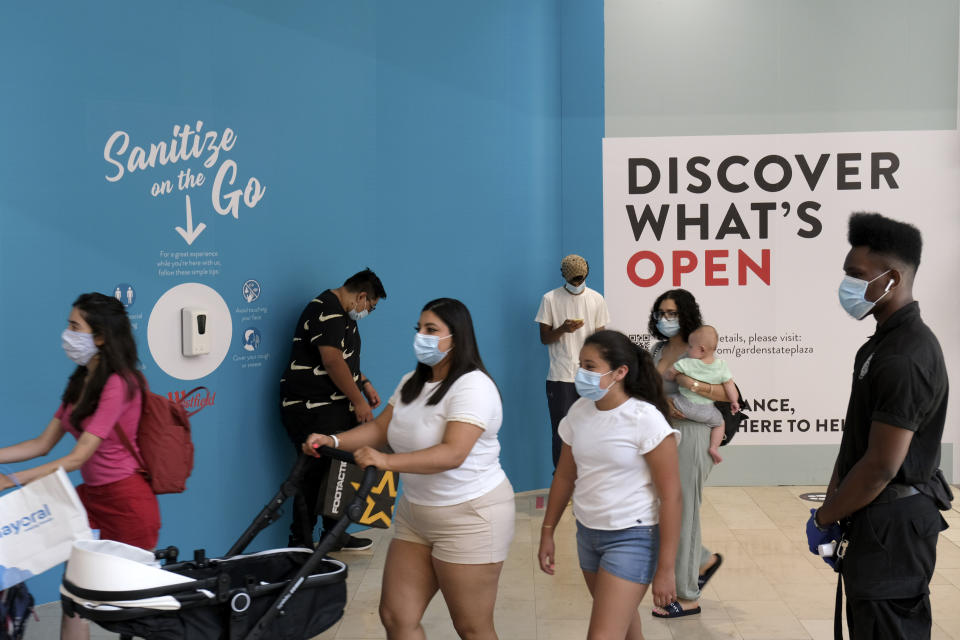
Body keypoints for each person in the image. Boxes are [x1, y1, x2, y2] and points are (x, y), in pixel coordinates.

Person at [302, 298, 514, 640]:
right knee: (396, 616)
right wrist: (332, 441)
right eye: (419, 329)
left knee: (472, 627)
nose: (422, 337)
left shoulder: (474, 386)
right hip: (417, 515)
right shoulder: (410, 383)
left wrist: (386, 461)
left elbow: (452, 453)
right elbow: (379, 430)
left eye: (432, 330)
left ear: (457, 338)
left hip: (471, 516)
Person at [807, 213, 950, 639]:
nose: (847, 284)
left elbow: (881, 465)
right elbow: (856, 440)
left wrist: (825, 516)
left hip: (895, 531)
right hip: (874, 522)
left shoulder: (906, 356)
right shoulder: (880, 345)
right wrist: (833, 509)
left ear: (892, 279)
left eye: (856, 275)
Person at [0, 293, 158, 640]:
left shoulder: (121, 383)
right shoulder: (81, 380)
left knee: (136, 608)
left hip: (127, 501)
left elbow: (77, 457)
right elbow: (41, 444)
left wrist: (9, 480)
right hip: (91, 498)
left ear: (100, 336)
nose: (66, 334)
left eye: (75, 326)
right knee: (75, 593)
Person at [537, 330, 682, 640]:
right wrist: (547, 531)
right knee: (627, 629)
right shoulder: (578, 413)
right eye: (580, 365)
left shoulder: (646, 420)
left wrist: (667, 569)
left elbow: (671, 498)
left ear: (620, 372)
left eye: (590, 366)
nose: (581, 374)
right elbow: (564, 476)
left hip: (633, 537)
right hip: (588, 535)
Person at [280, 268, 386, 551]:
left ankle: (333, 534)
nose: (368, 312)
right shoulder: (326, 310)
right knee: (311, 475)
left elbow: (347, 361)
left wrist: (364, 383)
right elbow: (332, 361)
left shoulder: (344, 316)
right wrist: (359, 402)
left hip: (334, 406)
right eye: (370, 307)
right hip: (309, 407)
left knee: (338, 472)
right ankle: (301, 544)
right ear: (362, 296)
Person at [647, 289, 726, 618]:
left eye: (672, 313)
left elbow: (724, 390)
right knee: (665, 510)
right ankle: (702, 558)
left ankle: (687, 595)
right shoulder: (657, 349)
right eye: (661, 313)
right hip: (662, 437)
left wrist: (689, 387)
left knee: (684, 511)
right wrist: (662, 401)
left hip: (693, 437)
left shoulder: (700, 351)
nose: (665, 319)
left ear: (687, 314)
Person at [535, 254, 609, 469]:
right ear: (563, 276)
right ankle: (561, 484)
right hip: (561, 376)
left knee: (593, 430)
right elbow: (544, 338)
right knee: (561, 432)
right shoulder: (550, 299)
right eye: (572, 280)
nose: (576, 284)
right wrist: (563, 329)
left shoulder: (596, 298)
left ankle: (590, 480)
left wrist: (601, 373)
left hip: (590, 376)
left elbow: (601, 340)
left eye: (580, 279)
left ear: (586, 273)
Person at [663, 325, 739, 464]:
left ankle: (666, 438)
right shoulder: (721, 366)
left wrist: (672, 375)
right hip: (706, 412)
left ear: (702, 349)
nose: (688, 349)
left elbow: (670, 374)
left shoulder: (687, 363)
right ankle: (714, 448)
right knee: (720, 423)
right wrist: (734, 401)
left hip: (682, 405)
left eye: (691, 346)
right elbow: (729, 385)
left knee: (662, 404)